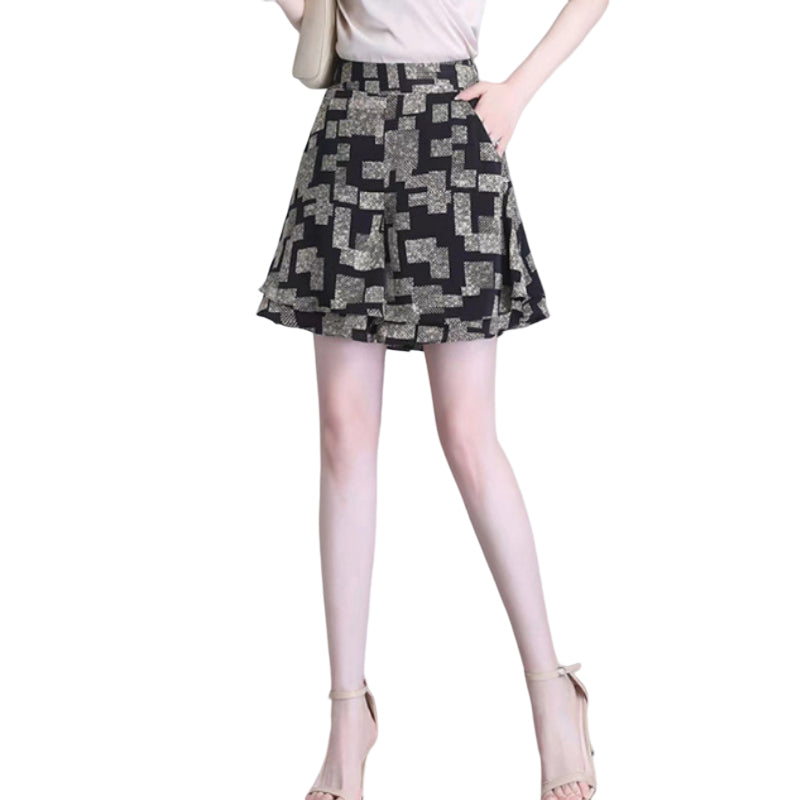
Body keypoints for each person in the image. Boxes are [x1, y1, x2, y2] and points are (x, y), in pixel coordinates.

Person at [257, 2, 609, 799]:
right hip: (350, 126)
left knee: (468, 436)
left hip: (451, 131)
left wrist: (518, 91)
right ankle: (348, 718)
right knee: (343, 436)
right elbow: (315, 18)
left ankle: (552, 692)